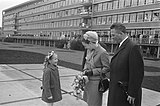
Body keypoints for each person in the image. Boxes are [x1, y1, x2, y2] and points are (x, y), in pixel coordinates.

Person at [107, 23, 144, 106]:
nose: (111, 37)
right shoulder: (120, 46)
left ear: (121, 33)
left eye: (113, 35)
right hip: (116, 91)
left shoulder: (133, 47)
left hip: (125, 94)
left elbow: (137, 73)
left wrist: (132, 93)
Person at [81, 31, 110, 106]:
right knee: (88, 102)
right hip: (88, 81)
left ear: (90, 43)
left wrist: (92, 72)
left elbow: (107, 68)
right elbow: (86, 62)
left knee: (94, 103)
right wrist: (84, 73)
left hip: (96, 83)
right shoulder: (89, 50)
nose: (85, 48)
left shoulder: (103, 52)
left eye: (86, 46)